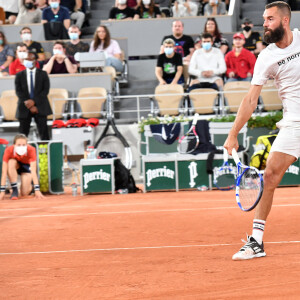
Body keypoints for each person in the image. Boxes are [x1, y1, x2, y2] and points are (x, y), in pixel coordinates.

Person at [224, 1, 299, 260]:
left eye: (270, 19)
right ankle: (256, 242)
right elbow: (250, 100)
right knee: (269, 176)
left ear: (285, 21)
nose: (264, 24)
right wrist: (233, 133)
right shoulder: (266, 57)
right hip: (295, 123)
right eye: (264, 19)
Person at [15, 51, 52, 140]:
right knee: (22, 135)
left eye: (30, 59)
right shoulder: (19, 75)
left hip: (40, 106)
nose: (27, 61)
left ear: (35, 61)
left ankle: (45, 153)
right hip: (24, 107)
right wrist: (29, 104)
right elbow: (18, 91)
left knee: (44, 134)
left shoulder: (43, 74)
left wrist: (34, 102)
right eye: (26, 59)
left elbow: (45, 91)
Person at [0, 134, 45, 200]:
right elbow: (4, 172)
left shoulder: (31, 150)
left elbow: (33, 170)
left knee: (24, 193)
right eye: (18, 145)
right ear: (14, 145)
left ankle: (31, 186)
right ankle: (15, 190)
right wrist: (2, 191)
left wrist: (37, 189)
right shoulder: (8, 150)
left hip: (26, 167)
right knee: (11, 162)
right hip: (15, 165)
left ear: (27, 145)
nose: (21, 147)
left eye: (23, 145)